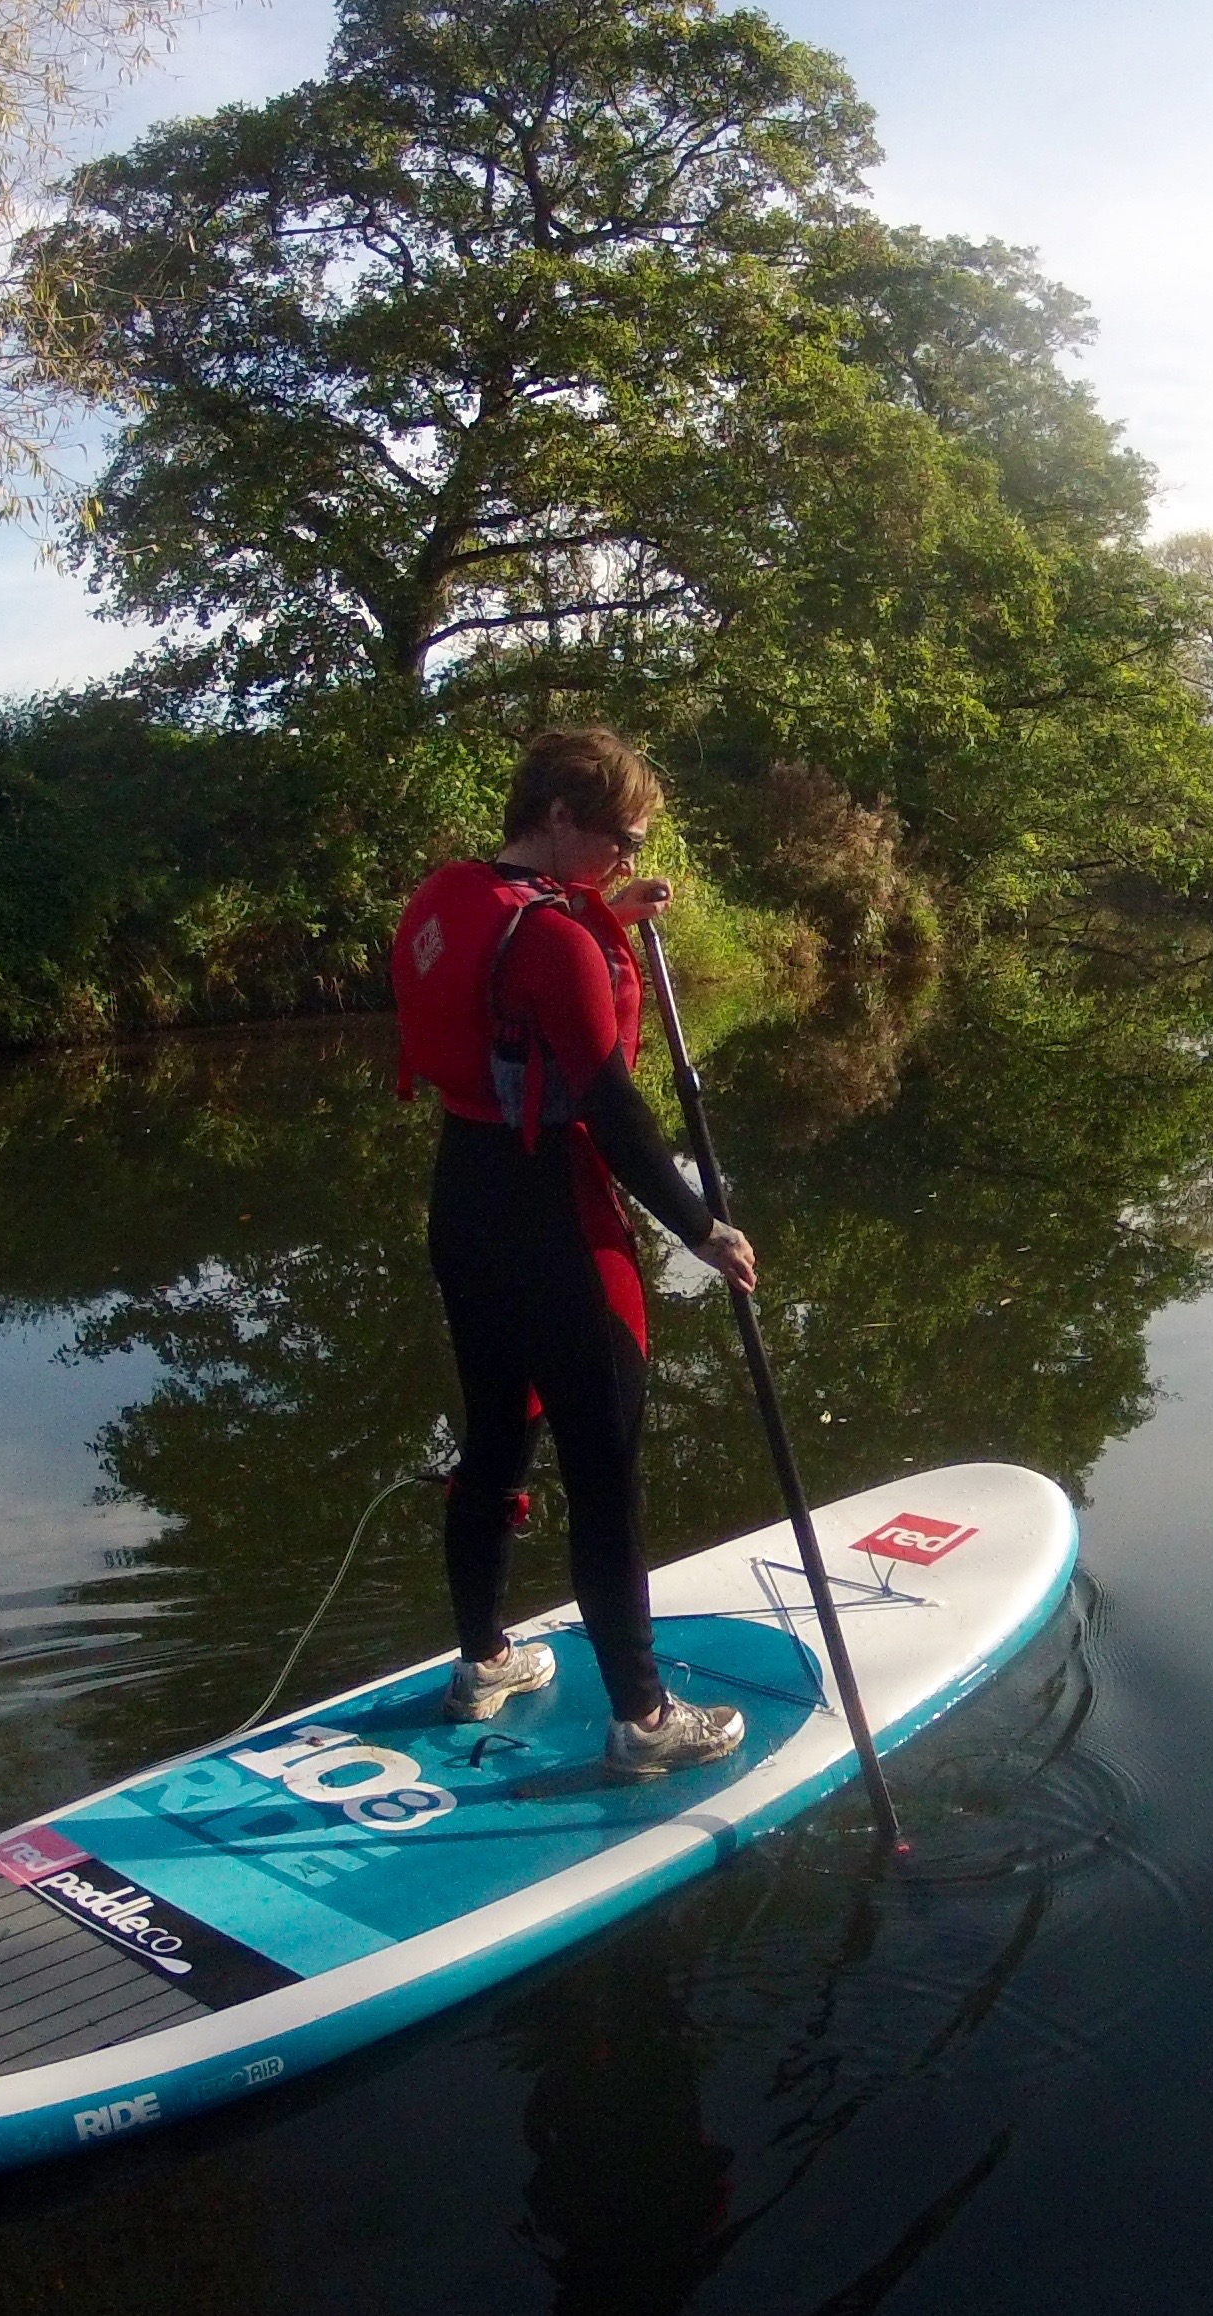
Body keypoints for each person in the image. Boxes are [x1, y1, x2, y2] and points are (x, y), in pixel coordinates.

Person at [390, 728, 759, 1774]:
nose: (627, 858)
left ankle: (483, 1662)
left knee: (493, 1444)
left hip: (464, 1207)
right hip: (558, 1222)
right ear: (559, 815)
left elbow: (510, 978)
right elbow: (609, 1104)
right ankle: (644, 1720)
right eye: (620, 840)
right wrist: (702, 1225)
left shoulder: (446, 897)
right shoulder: (553, 940)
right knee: (605, 1475)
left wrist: (605, 913)